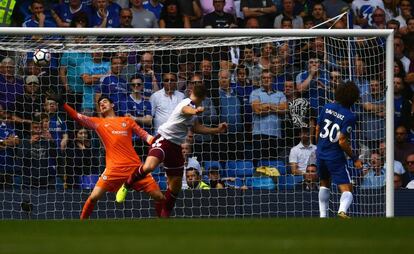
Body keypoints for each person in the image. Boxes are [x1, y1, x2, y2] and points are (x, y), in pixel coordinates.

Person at [116, 84, 228, 218]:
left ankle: (164, 216)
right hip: (163, 139)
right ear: (203, 97)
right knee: (149, 166)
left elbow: (197, 128)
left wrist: (216, 130)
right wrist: (196, 111)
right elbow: (186, 110)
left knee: (175, 186)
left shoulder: (193, 110)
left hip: (176, 146)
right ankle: (126, 185)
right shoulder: (186, 103)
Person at [49, 94, 165, 219]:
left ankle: (164, 221)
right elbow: (77, 116)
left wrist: (162, 144)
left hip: (135, 168)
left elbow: (146, 136)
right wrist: (63, 104)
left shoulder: (127, 121)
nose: (102, 104)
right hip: (113, 170)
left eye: (104, 101)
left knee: (159, 196)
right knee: (93, 197)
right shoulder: (99, 123)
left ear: (112, 105)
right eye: (100, 104)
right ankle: (81, 223)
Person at [316, 81, 362, 219]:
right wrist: (355, 158)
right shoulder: (349, 116)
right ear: (354, 97)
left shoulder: (327, 107)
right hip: (334, 155)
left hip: (321, 152)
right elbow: (342, 141)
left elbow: (318, 128)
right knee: (347, 189)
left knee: (324, 183)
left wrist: (319, 146)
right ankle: (342, 211)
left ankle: (323, 216)